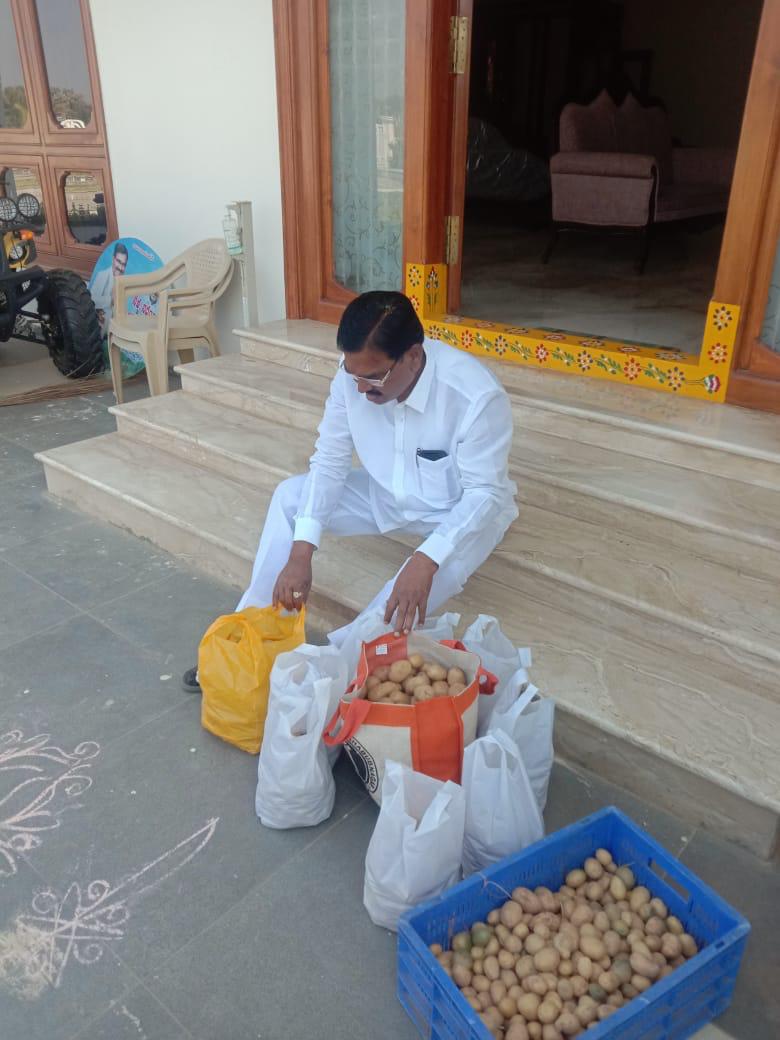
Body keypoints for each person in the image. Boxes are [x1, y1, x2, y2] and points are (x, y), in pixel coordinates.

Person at [182, 290, 518, 692]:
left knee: (395, 603)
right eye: (353, 374)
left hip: (456, 516)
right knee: (291, 497)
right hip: (384, 494)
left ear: (413, 357)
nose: (361, 388)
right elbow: (330, 458)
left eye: (373, 377)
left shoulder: (475, 397)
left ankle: (333, 676)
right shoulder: (353, 375)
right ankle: (252, 638)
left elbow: (485, 494)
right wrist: (302, 549)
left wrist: (428, 557)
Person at [90, 241, 129, 336]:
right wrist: (110, 300)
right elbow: (90, 300)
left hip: (114, 332)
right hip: (98, 331)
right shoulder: (102, 275)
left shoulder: (124, 282)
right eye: (118, 262)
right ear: (113, 259)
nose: (120, 267)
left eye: (123, 264)